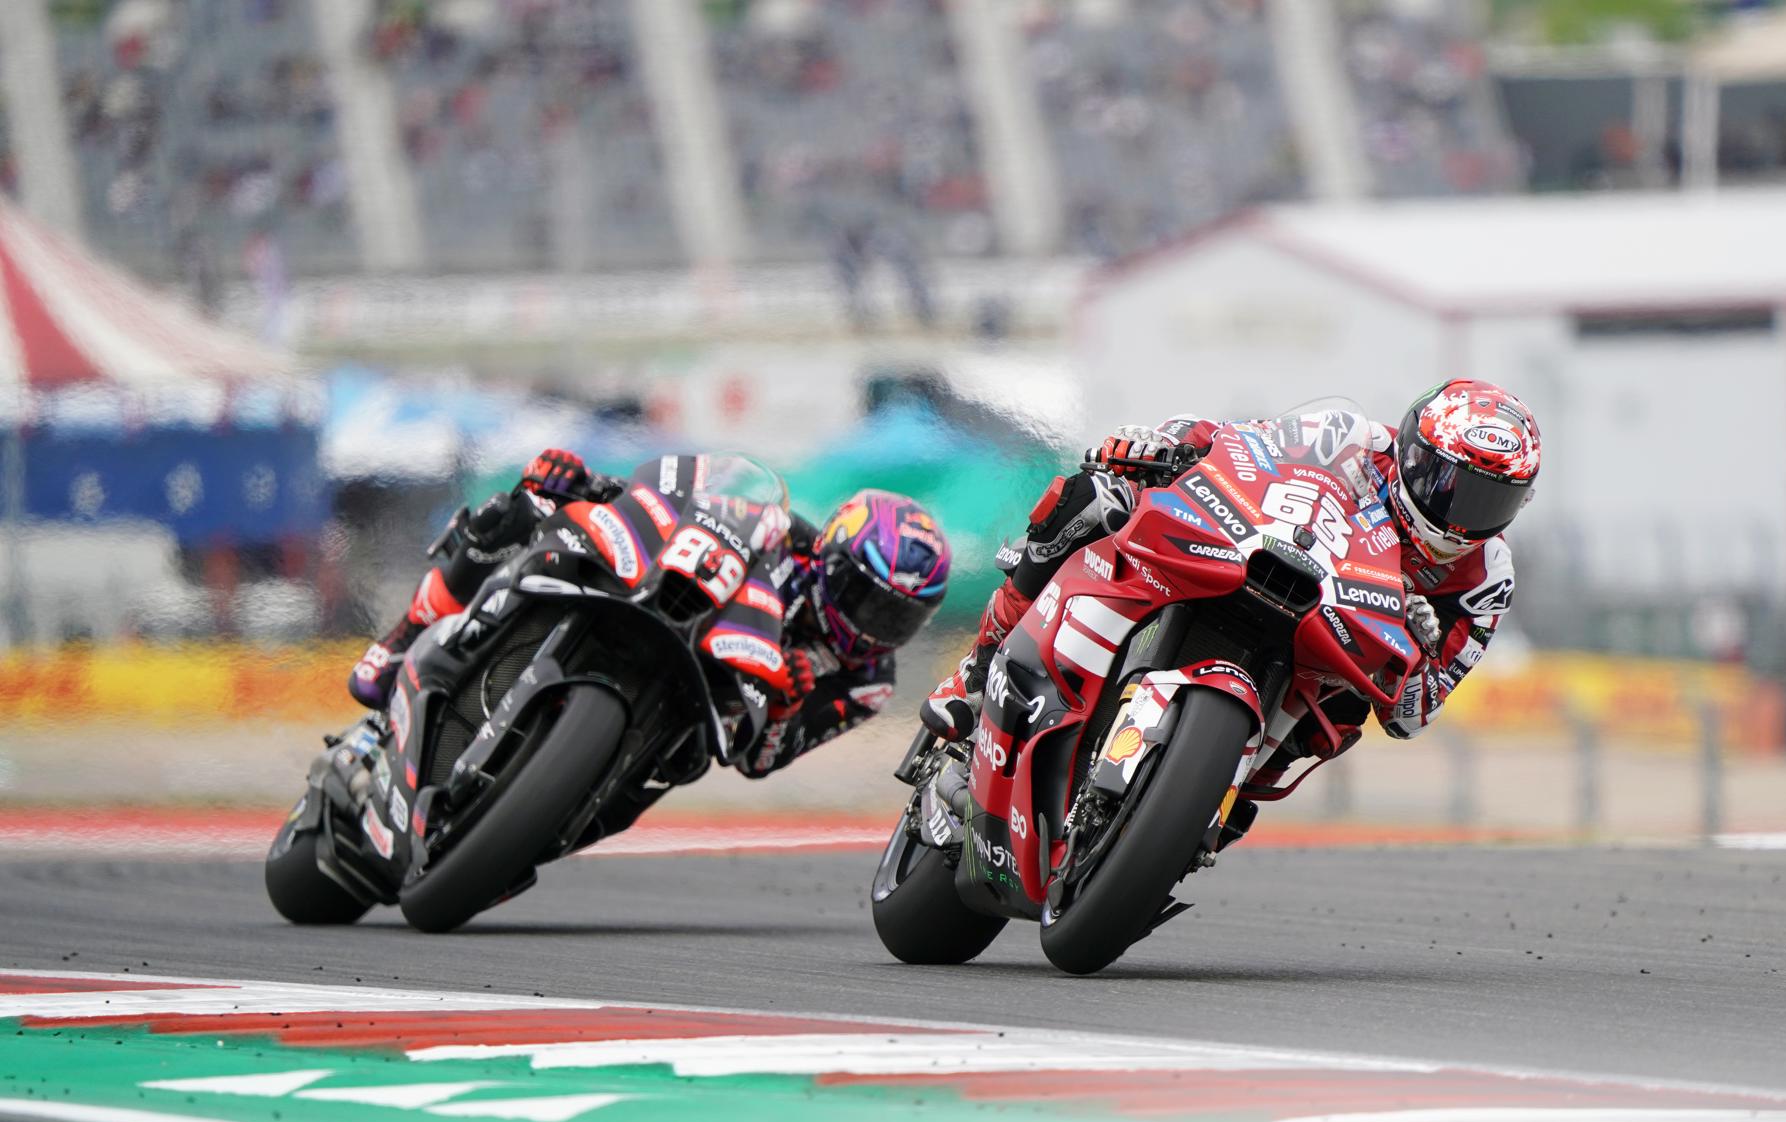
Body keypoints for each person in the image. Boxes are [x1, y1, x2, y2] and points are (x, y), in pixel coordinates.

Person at [921, 379, 1541, 815]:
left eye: (1491, 501)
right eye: (1452, 486)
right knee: (1093, 499)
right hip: (1246, 556)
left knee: (1350, 707)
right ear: (1412, 453)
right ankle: (979, 668)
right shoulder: (1347, 437)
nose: (1462, 518)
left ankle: (1222, 793)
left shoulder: (1488, 576)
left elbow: (1415, 713)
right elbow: (1235, 443)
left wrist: (1418, 645)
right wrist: (1163, 445)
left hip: (1329, 642)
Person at [349, 449, 950, 777]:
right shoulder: (786, 535)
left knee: (679, 765)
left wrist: (785, 708)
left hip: (686, 719)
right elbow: (672, 504)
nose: (873, 625)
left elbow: (761, 761)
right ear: (832, 554)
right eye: (866, 598)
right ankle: (404, 639)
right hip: (663, 605)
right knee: (515, 512)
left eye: (897, 618)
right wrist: (583, 483)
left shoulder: (868, 681)